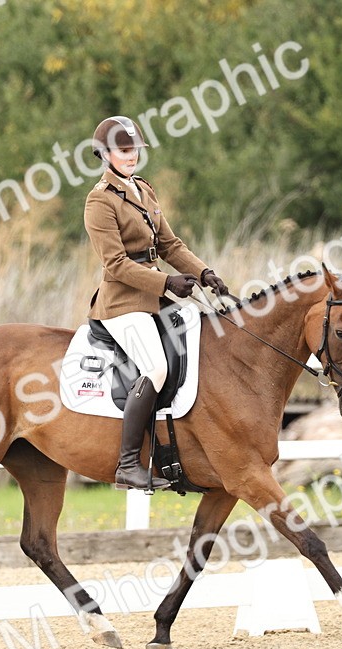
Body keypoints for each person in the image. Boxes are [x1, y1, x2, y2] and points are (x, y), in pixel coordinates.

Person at [84, 115, 230, 490]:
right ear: (104, 154)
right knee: (157, 367)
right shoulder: (99, 201)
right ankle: (128, 464)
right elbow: (115, 265)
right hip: (122, 304)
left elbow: (170, 245)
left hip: (154, 299)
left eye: (134, 149)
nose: (131, 156)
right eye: (123, 150)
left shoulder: (143, 190)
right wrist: (166, 281)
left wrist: (203, 273)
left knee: (205, 337)